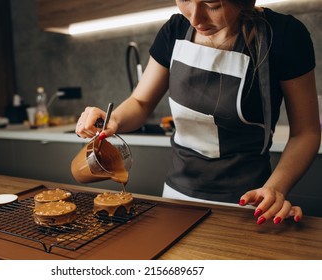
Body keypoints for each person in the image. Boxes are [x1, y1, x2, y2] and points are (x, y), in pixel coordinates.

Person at [75, 0, 321, 225]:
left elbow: (306, 132)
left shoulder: (285, 36)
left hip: (250, 203)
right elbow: (140, 102)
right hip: (176, 199)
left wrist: (275, 190)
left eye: (212, 4)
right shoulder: (174, 30)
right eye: (184, 0)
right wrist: (113, 119)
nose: (195, 18)